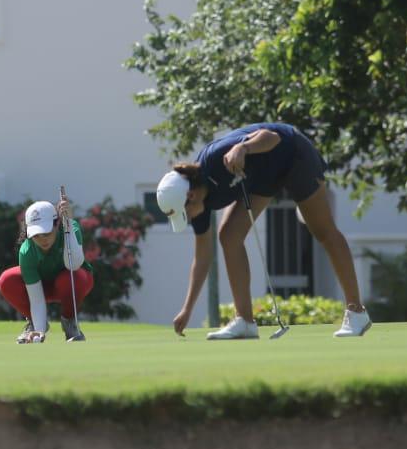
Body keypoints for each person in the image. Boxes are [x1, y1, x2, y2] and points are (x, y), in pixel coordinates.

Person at [154, 123, 370, 340]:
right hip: (265, 176)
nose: (189, 218)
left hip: (293, 153)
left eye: (185, 213)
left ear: (190, 196)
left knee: (323, 231)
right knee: (229, 235)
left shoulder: (215, 158)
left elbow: (271, 137)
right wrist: (187, 308)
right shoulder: (198, 205)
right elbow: (202, 257)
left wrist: (243, 148)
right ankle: (245, 321)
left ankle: (356, 312)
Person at [0, 194, 92, 343]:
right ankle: (33, 326)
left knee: (71, 278)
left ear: (57, 223)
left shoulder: (71, 229)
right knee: (6, 280)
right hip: (41, 286)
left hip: (71, 282)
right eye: (36, 235)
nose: (43, 239)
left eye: (47, 232)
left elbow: (73, 265)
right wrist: (39, 332)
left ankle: (70, 323)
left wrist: (69, 226)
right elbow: (37, 299)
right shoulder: (26, 251)